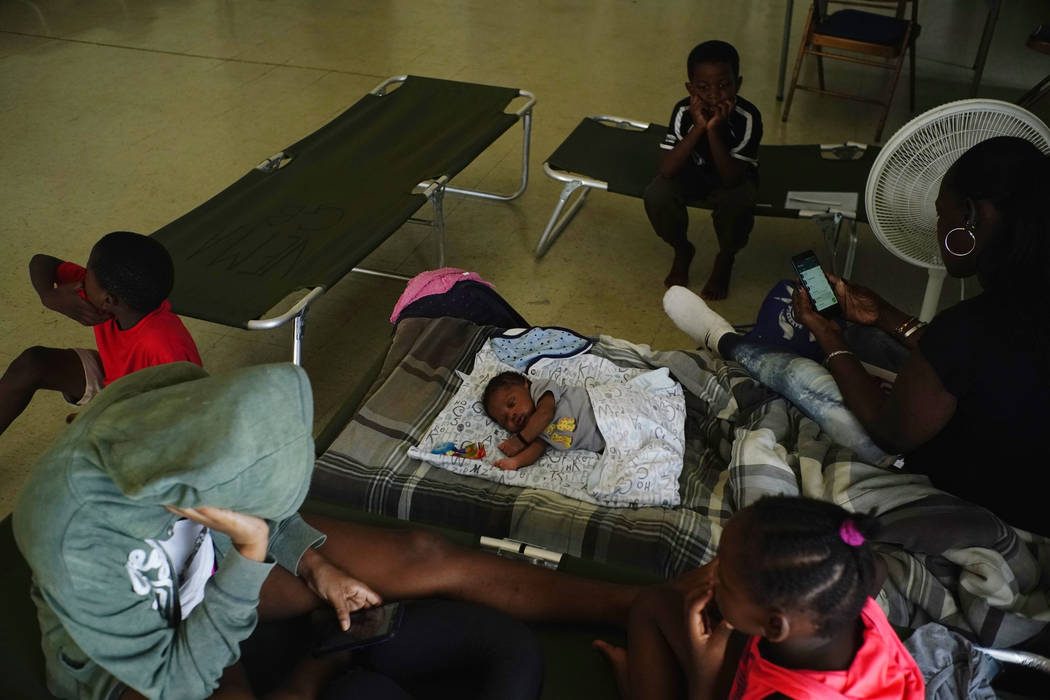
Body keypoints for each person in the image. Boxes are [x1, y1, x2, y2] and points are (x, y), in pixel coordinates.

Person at [15, 362, 638, 699]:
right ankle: (309, 675)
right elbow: (176, 679)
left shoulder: (175, 397)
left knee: (421, 556)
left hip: (212, 560)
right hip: (142, 661)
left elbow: (258, 496)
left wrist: (315, 565)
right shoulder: (72, 538)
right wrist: (254, 555)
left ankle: (630, 604)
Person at [663, 136, 1050, 534]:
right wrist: (883, 314)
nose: (938, 228)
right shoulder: (998, 319)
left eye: (941, 214)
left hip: (987, 503)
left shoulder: (968, 328)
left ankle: (722, 337)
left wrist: (831, 337)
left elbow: (889, 431)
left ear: (969, 215)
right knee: (878, 343)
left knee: (812, 381)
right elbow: (967, 359)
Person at [594, 496, 925, 700]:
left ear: (774, 624)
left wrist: (704, 675)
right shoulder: (845, 588)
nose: (711, 575)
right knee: (654, 605)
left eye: (723, 581)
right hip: (780, 671)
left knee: (655, 609)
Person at [0, 231, 202, 436]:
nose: (82, 279)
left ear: (108, 299)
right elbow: (42, 262)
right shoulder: (118, 300)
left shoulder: (165, 347)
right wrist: (48, 295)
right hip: (115, 381)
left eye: (88, 275)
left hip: (150, 413)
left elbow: (184, 416)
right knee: (33, 363)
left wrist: (115, 425)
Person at [643, 40, 763, 299]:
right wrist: (698, 127)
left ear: (738, 84)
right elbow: (666, 169)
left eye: (724, 86)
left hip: (732, 177)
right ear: (690, 88)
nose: (713, 95)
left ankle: (726, 257)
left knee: (738, 201)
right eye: (703, 87)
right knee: (657, 193)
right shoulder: (683, 111)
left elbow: (731, 178)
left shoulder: (748, 117)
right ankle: (682, 248)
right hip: (692, 174)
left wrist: (714, 130)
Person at [482, 370, 605, 470]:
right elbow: (536, 450)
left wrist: (519, 441)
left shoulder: (540, 390)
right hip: (609, 439)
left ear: (525, 385)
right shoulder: (535, 432)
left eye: (511, 403)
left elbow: (545, 414)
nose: (512, 415)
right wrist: (515, 462)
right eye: (505, 420)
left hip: (605, 409)